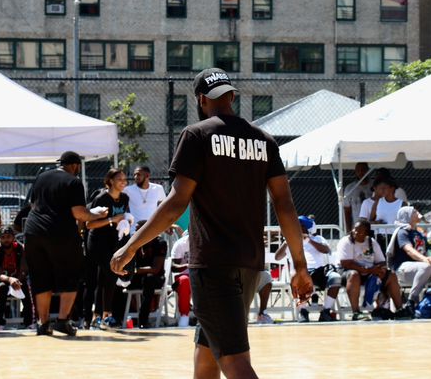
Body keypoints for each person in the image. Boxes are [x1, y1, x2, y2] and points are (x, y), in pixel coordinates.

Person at [110, 67, 313, 379]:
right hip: (249, 263)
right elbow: (284, 204)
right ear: (231, 96)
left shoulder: (197, 135)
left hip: (214, 264)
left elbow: (176, 201)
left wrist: (131, 245)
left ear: (200, 99)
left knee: (234, 361)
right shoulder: (265, 141)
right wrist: (300, 265)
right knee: (207, 354)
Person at [23, 151, 106, 336]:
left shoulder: (42, 177)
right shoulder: (73, 181)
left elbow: (32, 206)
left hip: (33, 231)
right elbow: (79, 214)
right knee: (70, 275)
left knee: (41, 277)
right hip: (60, 233)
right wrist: (96, 214)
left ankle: (43, 323)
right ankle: (62, 321)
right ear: (75, 165)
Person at [86, 168, 132, 329]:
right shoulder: (101, 198)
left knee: (103, 278)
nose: (123, 182)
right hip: (97, 242)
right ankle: (107, 315)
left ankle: (95, 317)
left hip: (113, 241)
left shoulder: (125, 198)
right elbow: (89, 224)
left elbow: (125, 215)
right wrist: (112, 220)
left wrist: (126, 222)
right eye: (120, 179)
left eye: (125, 179)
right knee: (112, 272)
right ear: (110, 180)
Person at [336, 219, 406, 320]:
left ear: (366, 233)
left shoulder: (372, 242)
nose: (356, 232)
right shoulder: (346, 241)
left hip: (369, 272)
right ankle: (356, 312)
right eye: (355, 229)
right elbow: (347, 264)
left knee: (391, 275)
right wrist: (369, 270)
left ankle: (400, 310)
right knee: (354, 275)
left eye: (360, 231)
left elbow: (382, 261)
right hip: (347, 271)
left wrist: (380, 270)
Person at [275, 215, 341, 323]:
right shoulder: (290, 241)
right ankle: (303, 311)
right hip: (302, 272)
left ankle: (326, 311)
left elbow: (326, 250)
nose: (298, 229)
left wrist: (310, 241)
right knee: (300, 276)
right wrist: (287, 242)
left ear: (306, 228)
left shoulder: (317, 239)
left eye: (301, 227)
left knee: (336, 278)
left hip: (319, 272)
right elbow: (277, 257)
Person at [390, 206, 431, 318]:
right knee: (426, 267)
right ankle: (410, 302)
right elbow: (409, 249)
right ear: (408, 216)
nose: (418, 213)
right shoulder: (402, 232)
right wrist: (425, 259)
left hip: (420, 268)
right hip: (403, 269)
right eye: (415, 212)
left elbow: (429, 251)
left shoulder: (419, 233)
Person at [0, 225, 33, 330]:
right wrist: (10, 280)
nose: (5, 239)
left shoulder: (21, 249)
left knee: (26, 286)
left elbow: (23, 270)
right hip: (0, 281)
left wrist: (16, 280)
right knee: (2, 288)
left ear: (13, 237)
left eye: (8, 236)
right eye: (3, 237)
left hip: (17, 279)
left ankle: (29, 322)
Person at [128, 220, 167, 328]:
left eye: (137, 230)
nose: (134, 232)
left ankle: (143, 319)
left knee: (148, 278)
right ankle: (117, 317)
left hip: (155, 278)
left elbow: (155, 269)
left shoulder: (159, 243)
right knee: (117, 279)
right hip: (139, 276)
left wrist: (134, 271)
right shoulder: (135, 244)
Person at [342, 162, 374, 233]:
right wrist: (348, 229)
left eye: (363, 169)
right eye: (358, 170)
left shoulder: (374, 185)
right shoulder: (349, 188)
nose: (360, 172)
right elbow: (347, 210)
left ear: (367, 170)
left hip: (373, 226)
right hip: (357, 226)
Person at [171, 231, 192, 327]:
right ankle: (184, 315)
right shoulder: (181, 244)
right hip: (184, 275)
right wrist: (187, 265)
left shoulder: (206, 242)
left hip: (201, 274)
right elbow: (173, 266)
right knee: (185, 280)